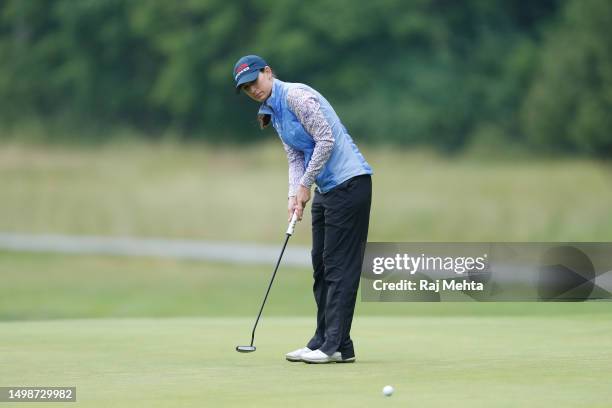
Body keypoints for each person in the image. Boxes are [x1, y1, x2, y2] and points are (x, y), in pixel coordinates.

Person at [233, 55, 373, 364]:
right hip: (325, 189)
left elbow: (326, 139)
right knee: (320, 265)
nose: (252, 90)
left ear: (268, 73)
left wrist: (305, 184)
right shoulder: (272, 111)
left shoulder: (295, 96)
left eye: (254, 81)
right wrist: (292, 196)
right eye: (246, 88)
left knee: (338, 267)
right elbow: (295, 157)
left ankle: (332, 346)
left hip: (349, 185)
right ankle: (327, 341)